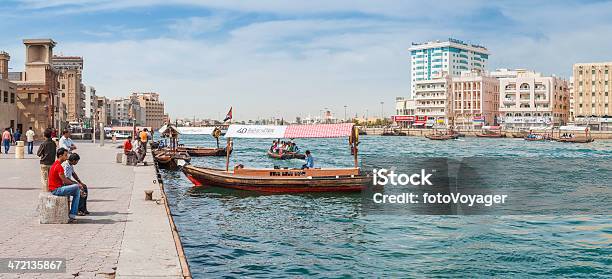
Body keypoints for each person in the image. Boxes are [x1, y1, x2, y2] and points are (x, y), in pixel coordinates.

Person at [48, 148, 82, 222]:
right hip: (56, 190)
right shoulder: (59, 166)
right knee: (77, 188)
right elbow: (65, 180)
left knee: (77, 192)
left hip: (57, 188)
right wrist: (76, 184)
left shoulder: (56, 164)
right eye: (65, 155)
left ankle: (73, 214)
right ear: (60, 156)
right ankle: (72, 215)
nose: (67, 157)